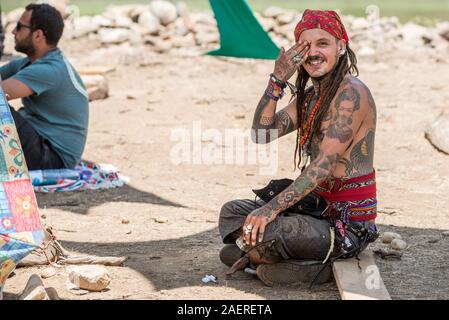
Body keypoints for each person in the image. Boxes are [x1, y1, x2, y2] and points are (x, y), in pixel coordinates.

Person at [218, 10, 379, 286]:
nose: (314, 53)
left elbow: (322, 167)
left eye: (323, 44)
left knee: (269, 229)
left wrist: (269, 210)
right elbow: (261, 133)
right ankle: (269, 256)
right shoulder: (311, 98)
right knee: (231, 212)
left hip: (344, 225)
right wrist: (277, 80)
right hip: (314, 209)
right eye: (306, 47)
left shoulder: (352, 94)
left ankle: (302, 262)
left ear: (341, 46)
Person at [0, 3, 89, 170]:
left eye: (19, 27)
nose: (13, 32)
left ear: (38, 35)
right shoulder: (30, 63)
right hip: (41, 146)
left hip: (53, 158)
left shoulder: (48, 70)